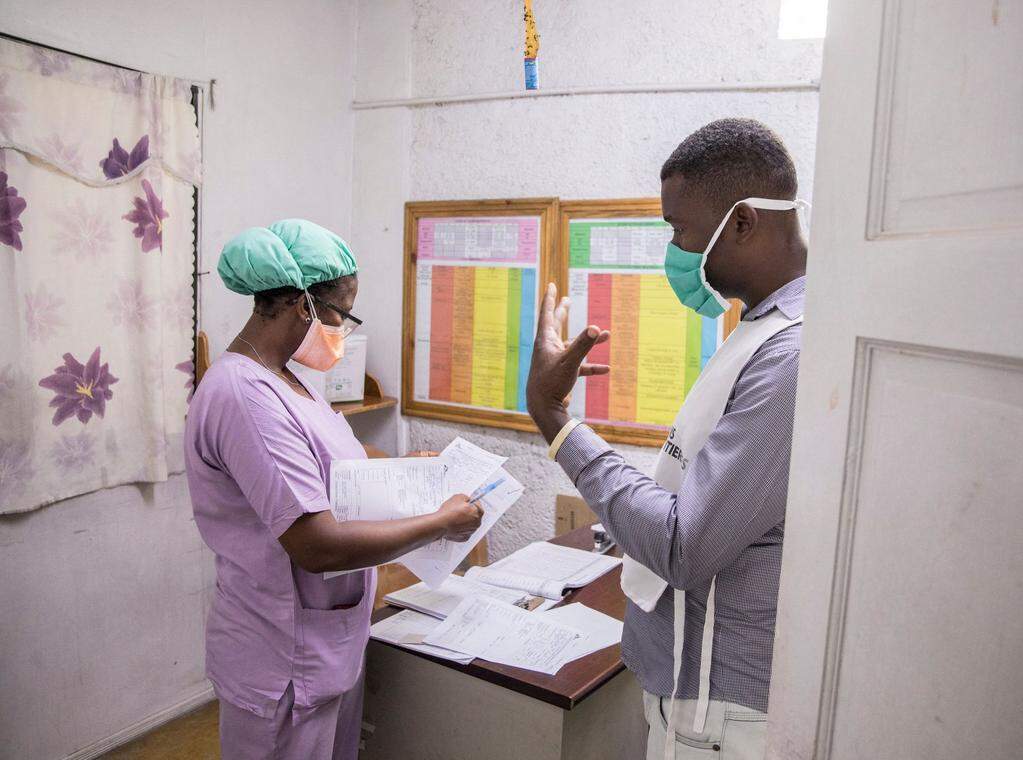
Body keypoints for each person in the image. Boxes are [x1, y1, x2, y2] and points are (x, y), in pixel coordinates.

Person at [525, 118, 808, 759]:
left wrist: (557, 422)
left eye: (680, 229)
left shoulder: (790, 352)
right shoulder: (761, 328)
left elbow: (684, 546)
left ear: (742, 223)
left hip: (720, 718)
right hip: (696, 700)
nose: (674, 250)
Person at [185, 219, 483, 759]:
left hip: (323, 640)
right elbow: (315, 544)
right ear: (304, 306)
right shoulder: (244, 396)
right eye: (342, 312)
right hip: (281, 654)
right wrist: (441, 523)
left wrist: (405, 471)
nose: (342, 330)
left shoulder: (285, 379)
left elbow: (324, 481)